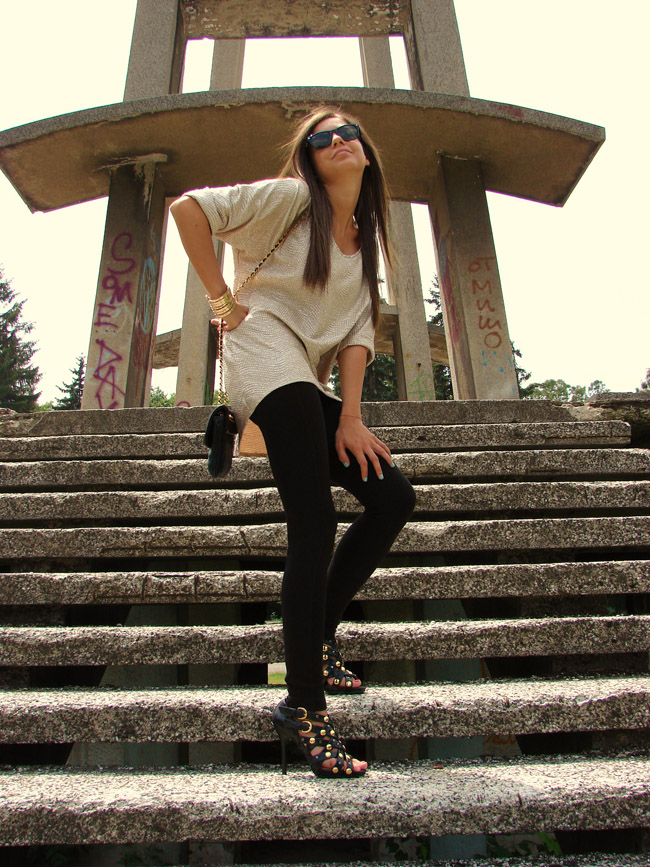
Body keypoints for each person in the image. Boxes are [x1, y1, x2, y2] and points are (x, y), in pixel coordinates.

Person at [170, 107, 416, 779]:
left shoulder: (365, 240)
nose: (337, 141)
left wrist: (352, 417)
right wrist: (222, 302)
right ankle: (303, 705)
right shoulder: (288, 200)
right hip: (261, 352)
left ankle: (318, 637)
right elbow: (188, 209)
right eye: (321, 137)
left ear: (366, 151)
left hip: (306, 379)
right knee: (315, 517)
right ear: (308, 156)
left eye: (348, 133)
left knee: (392, 497)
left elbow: (359, 331)